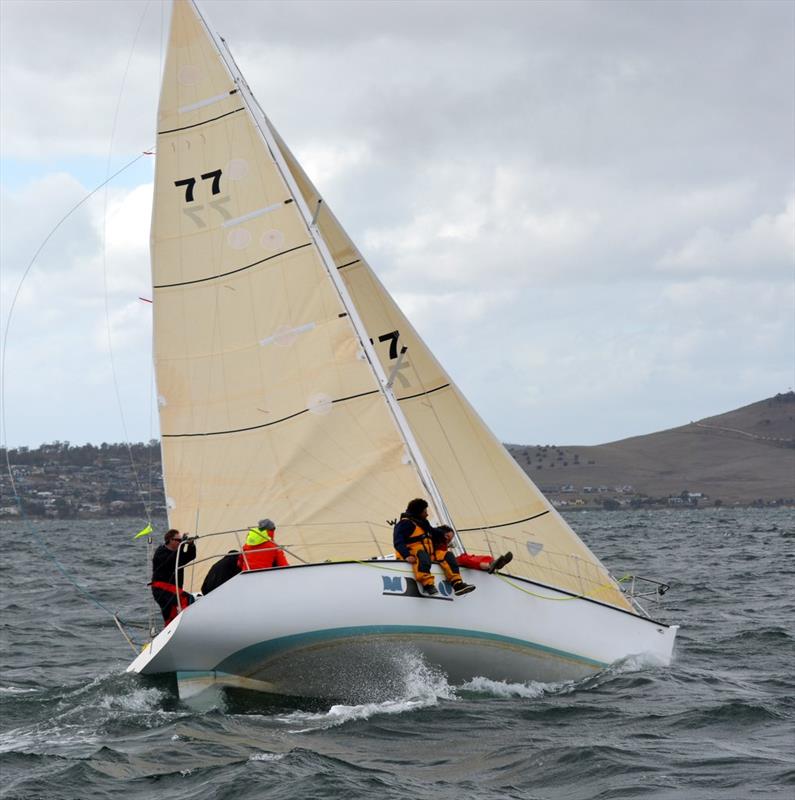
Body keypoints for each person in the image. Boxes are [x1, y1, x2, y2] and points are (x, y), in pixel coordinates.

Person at [393, 498, 474, 597]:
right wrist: (407, 555)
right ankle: (427, 585)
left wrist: (442, 534)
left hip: (428, 555)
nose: (427, 514)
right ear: (418, 512)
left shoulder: (423, 523)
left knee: (448, 555)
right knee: (422, 554)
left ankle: (457, 584)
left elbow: (433, 531)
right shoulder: (404, 524)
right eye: (425, 512)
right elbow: (398, 542)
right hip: (414, 555)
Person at [150, 528, 197, 625]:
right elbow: (170, 561)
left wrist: (191, 545)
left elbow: (190, 556)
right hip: (162, 588)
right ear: (170, 540)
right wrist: (183, 544)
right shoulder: (161, 552)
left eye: (180, 540)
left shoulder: (177, 554)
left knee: (171, 615)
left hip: (172, 589)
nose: (180, 543)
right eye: (178, 540)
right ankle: (187, 624)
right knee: (188, 598)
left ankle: (172, 631)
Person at [432, 525, 513, 574]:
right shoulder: (429, 540)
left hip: (447, 561)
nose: (448, 539)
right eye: (447, 536)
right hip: (439, 562)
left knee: (472, 557)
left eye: (450, 538)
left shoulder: (444, 545)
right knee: (463, 558)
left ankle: (492, 563)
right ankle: (489, 566)